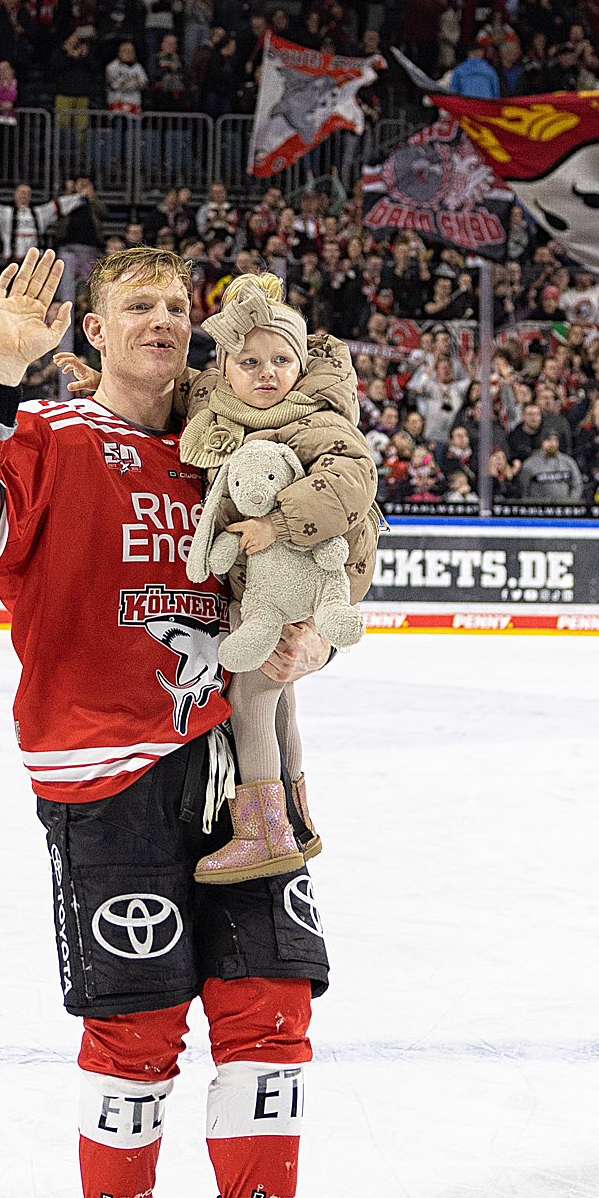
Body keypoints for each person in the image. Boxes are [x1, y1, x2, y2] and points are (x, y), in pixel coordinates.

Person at [0, 245, 334, 1198]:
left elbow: (318, 555)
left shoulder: (227, 443)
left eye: (176, 304)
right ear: (92, 331)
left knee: (269, 1011)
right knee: (137, 1030)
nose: (162, 319)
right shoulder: (48, 436)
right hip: (105, 776)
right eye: (136, 304)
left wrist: (312, 631)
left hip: (237, 769)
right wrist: (0, 371)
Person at [176, 274, 379, 880]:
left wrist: (278, 524)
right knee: (277, 691)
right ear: (228, 366)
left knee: (250, 690)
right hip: (267, 582)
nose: (268, 372)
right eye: (251, 361)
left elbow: (351, 480)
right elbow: (187, 383)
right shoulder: (220, 405)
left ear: (301, 361)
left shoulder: (314, 418)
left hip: (314, 571)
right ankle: (295, 813)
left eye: (282, 359)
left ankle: (262, 830)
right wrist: (94, 378)